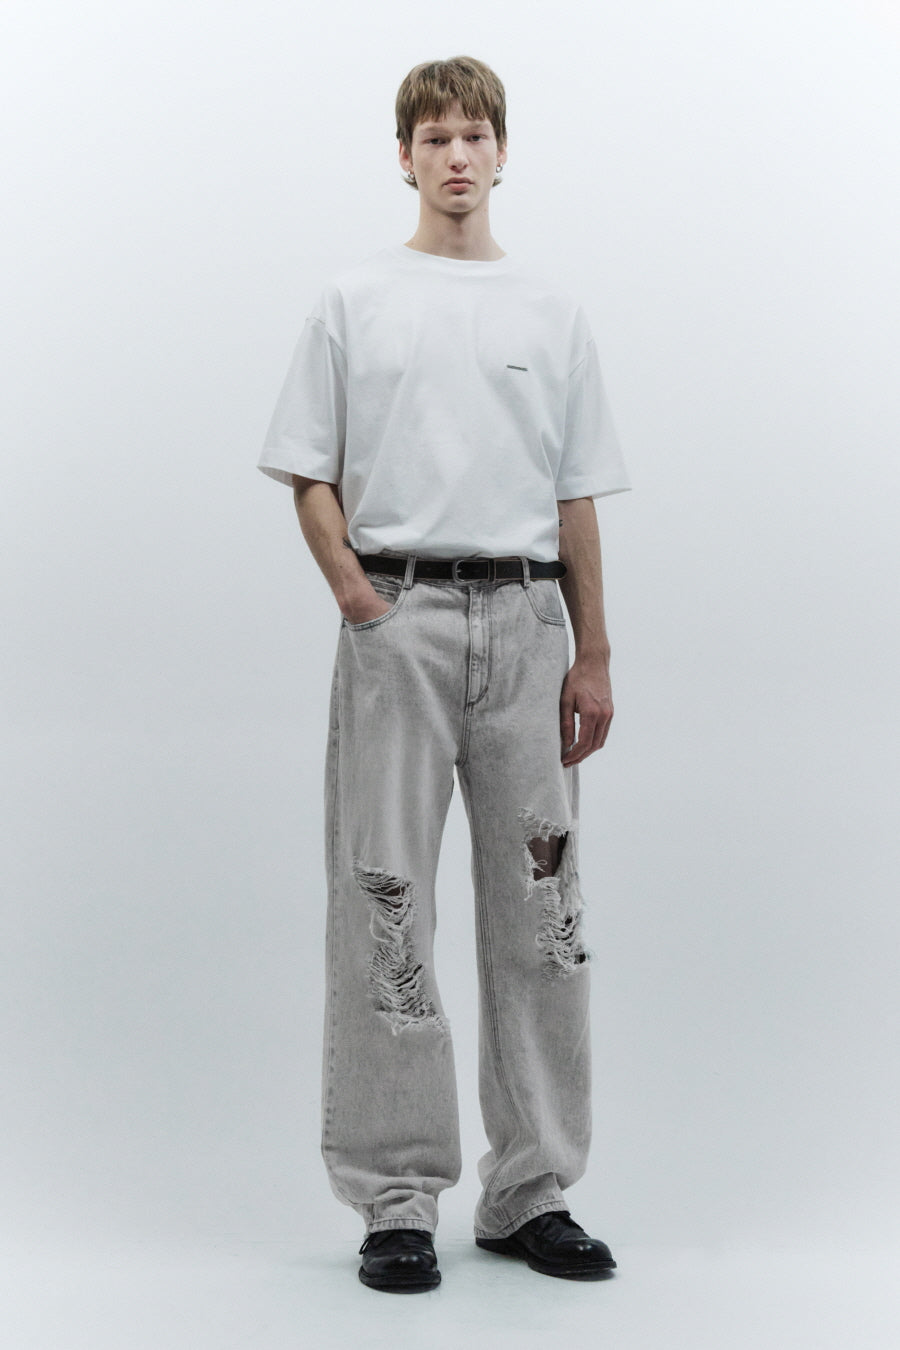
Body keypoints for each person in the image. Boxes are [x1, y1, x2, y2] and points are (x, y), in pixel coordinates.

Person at [258, 55, 630, 1293]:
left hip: (527, 624)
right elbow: (309, 469)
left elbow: (575, 494)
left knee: (544, 913)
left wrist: (593, 651)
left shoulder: (551, 310)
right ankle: (397, 1195)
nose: (457, 155)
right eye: (435, 137)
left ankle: (531, 1189)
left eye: (476, 135)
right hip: (400, 622)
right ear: (405, 156)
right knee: (387, 901)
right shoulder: (354, 298)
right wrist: (356, 596)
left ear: (503, 152)